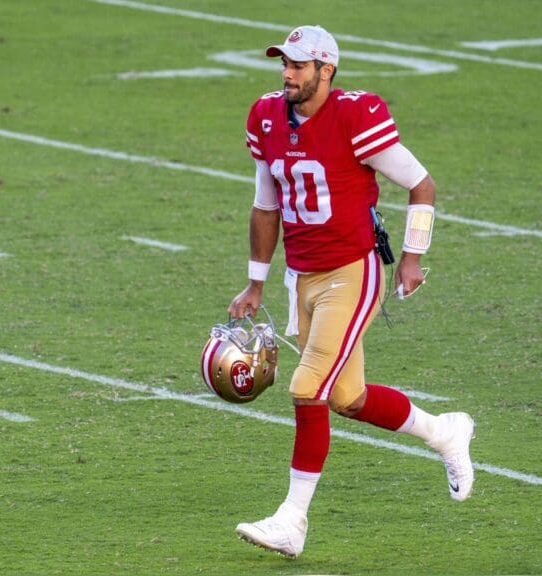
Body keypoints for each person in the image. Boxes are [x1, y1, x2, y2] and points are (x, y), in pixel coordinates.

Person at [227, 25, 475, 559]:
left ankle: (292, 520)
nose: (287, 74)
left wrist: (411, 257)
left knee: (307, 384)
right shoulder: (267, 117)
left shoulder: (355, 116)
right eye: (284, 64)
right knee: (346, 397)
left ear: (326, 70)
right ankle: (445, 432)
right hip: (305, 274)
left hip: (352, 270)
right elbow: (265, 205)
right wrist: (255, 281)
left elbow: (421, 183)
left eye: (298, 65)